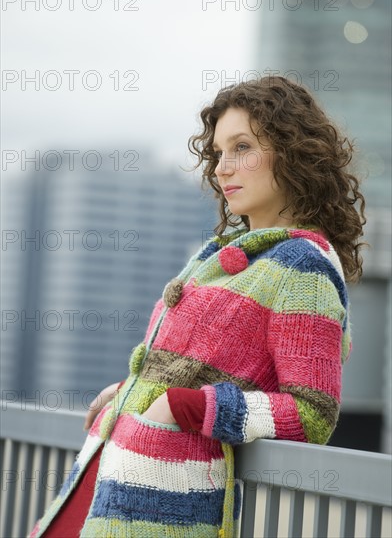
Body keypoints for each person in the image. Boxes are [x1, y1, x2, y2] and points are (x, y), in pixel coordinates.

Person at [30, 75, 366, 538]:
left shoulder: (302, 267)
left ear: (293, 152)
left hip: (161, 504)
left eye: (242, 147)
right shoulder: (222, 255)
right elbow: (196, 367)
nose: (223, 168)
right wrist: (135, 390)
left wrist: (182, 406)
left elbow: (312, 413)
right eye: (218, 153)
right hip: (110, 476)